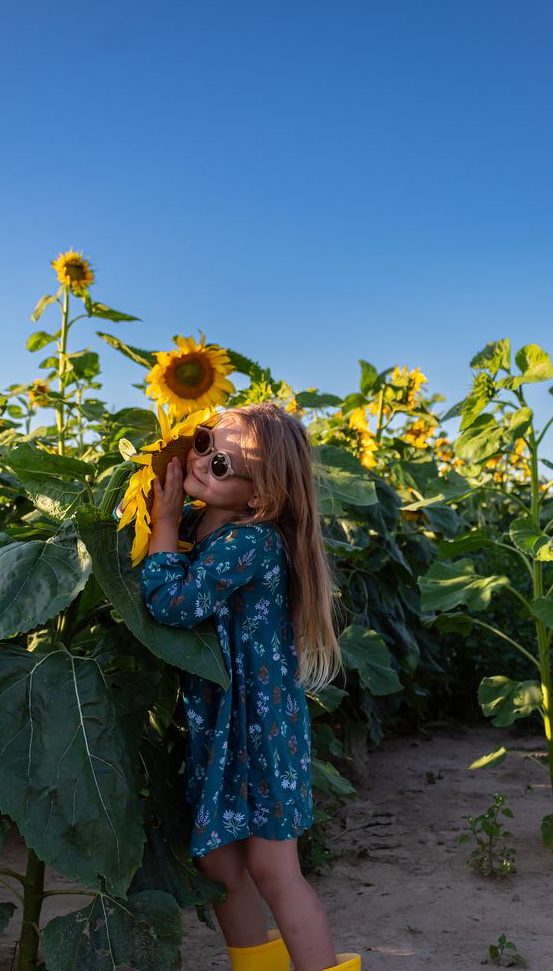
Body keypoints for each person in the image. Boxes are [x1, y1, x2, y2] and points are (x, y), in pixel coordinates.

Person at [140, 402, 361, 971]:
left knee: (272, 867)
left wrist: (162, 523)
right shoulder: (202, 522)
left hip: (259, 728)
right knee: (219, 861)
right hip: (222, 719)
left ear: (260, 498)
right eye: (203, 441)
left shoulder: (252, 542)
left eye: (221, 465)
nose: (200, 461)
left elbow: (174, 603)